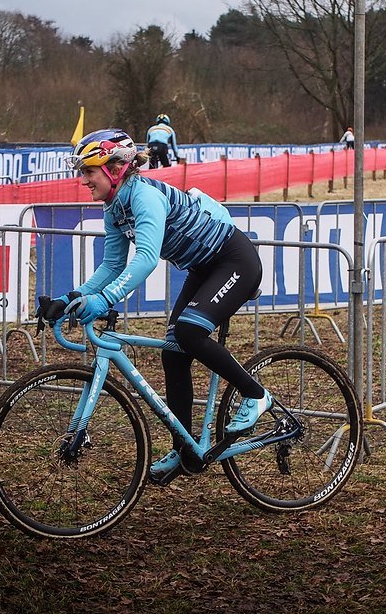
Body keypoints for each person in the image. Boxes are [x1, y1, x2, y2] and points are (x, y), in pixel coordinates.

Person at [36, 128, 271, 484]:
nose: (83, 179)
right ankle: (186, 449)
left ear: (115, 168)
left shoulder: (143, 197)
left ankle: (257, 394)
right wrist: (70, 297)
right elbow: (112, 265)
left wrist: (104, 300)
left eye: (89, 171)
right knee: (174, 352)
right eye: (82, 171)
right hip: (205, 267)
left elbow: (145, 259)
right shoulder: (115, 208)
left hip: (234, 259)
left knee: (190, 332)